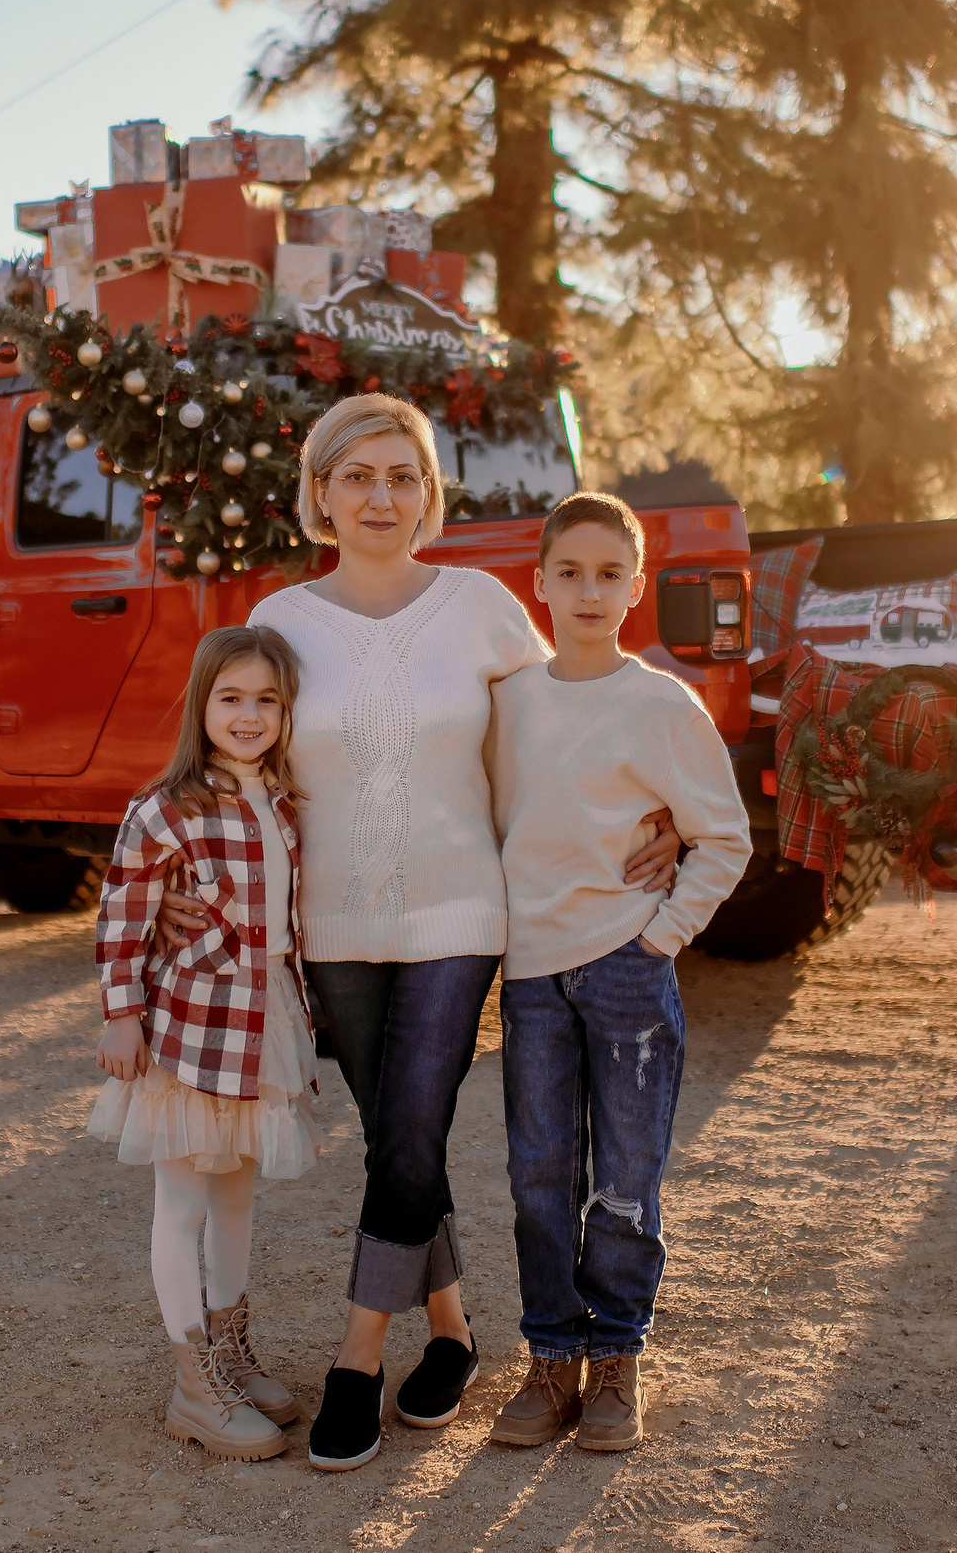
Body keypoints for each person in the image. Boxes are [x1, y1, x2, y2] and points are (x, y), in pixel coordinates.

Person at [166, 393, 680, 1472]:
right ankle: (452, 1331)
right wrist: (178, 877)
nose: (380, 497)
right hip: (330, 921)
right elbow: (228, 759)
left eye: (402, 476)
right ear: (320, 493)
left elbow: (571, 717)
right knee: (396, 1136)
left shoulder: (481, 604)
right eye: (356, 475)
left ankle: (357, 1359)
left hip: (459, 909)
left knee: (409, 1129)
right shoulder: (282, 621)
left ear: (429, 494)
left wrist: (664, 808)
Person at [484, 492, 750, 1453]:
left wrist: (661, 936)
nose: (589, 591)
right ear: (540, 584)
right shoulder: (510, 702)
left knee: (628, 1175)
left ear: (637, 588)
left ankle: (617, 1355)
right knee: (538, 1174)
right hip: (531, 975)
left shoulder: (661, 703)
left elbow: (725, 835)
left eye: (609, 574)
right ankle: (552, 1352)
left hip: (627, 971)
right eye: (570, 573)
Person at [89, 624, 324, 1462]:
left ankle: (229, 1350)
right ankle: (193, 1382)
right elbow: (122, 911)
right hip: (190, 1026)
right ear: (201, 704)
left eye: (267, 699)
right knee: (183, 1201)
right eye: (231, 697)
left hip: (263, 1024)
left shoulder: (285, 804)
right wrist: (122, 1013)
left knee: (236, 1197)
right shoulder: (166, 808)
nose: (249, 714)